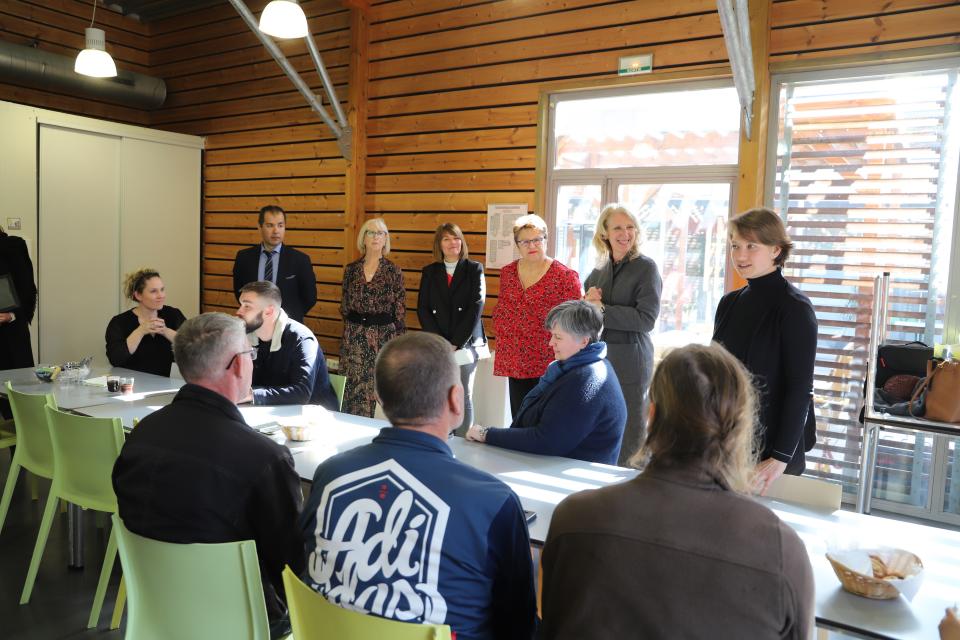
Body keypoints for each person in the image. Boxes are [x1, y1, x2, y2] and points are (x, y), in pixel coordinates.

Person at [539, 343, 815, 639]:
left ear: (652, 416)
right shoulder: (781, 550)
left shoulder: (574, 518)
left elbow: (553, 622)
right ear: (739, 427)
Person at [299, 332, 538, 640]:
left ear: (379, 399)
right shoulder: (493, 501)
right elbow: (518, 624)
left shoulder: (330, 474)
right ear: (456, 400)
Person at [112, 313, 304, 639]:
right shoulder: (263, 458)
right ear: (239, 366)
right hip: (240, 621)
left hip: (157, 608)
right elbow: (292, 569)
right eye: (250, 353)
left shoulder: (141, 436)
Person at [713, 207, 818, 490]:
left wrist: (780, 457)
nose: (740, 255)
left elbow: (800, 388)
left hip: (772, 448)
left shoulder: (795, 308)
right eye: (735, 246)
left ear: (776, 250)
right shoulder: (729, 303)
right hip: (728, 439)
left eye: (751, 246)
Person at [467, 300, 625, 465]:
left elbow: (546, 440)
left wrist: (487, 434)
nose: (551, 343)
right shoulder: (587, 367)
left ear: (584, 341)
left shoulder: (585, 380)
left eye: (558, 337)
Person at [584, 204, 662, 465]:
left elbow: (646, 319)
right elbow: (588, 312)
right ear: (604, 233)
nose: (625, 233)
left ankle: (633, 484)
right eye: (618, 227)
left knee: (631, 427)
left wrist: (603, 309)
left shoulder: (646, 268)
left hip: (632, 359)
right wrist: (588, 302)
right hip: (600, 359)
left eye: (630, 227)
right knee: (601, 421)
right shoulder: (599, 269)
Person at [492, 214, 581, 416]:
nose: (531, 245)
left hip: (549, 359)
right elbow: (503, 308)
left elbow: (575, 322)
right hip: (515, 358)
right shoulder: (507, 272)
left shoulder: (564, 276)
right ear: (517, 245)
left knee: (545, 419)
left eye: (537, 239)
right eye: (525, 241)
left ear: (546, 240)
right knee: (520, 415)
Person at [417, 223, 486, 435]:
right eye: (446, 239)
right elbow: (423, 308)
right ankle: (442, 440)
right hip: (440, 345)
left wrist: (456, 341)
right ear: (439, 244)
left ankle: (464, 443)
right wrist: (441, 342)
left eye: (455, 238)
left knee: (462, 394)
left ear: (461, 242)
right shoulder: (430, 272)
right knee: (440, 394)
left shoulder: (474, 269)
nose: (452, 243)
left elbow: (476, 306)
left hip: (466, 344)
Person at [339, 217, 405, 417]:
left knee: (378, 390)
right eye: (371, 232)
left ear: (386, 239)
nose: (376, 237)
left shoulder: (393, 271)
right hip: (354, 338)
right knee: (352, 390)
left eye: (381, 233)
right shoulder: (351, 270)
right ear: (363, 238)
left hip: (382, 339)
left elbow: (400, 310)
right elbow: (344, 306)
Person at [236, 281, 338, 409]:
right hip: (269, 414)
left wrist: (252, 395)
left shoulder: (302, 339)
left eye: (247, 306)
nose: (239, 311)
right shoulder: (246, 336)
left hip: (313, 419)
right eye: (241, 305)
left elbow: (301, 393)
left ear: (268, 311)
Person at [233, 205, 317, 323]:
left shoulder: (300, 260)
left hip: (287, 326)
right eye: (270, 225)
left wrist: (290, 316)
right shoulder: (244, 258)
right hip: (254, 324)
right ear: (260, 227)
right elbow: (240, 293)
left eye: (280, 225)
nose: (276, 231)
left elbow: (310, 298)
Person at [105, 268, 186, 377]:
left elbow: (194, 348)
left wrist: (165, 331)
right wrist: (140, 331)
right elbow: (115, 359)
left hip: (169, 384)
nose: (161, 295)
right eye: (154, 291)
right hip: (132, 385)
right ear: (138, 295)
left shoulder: (174, 315)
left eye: (162, 289)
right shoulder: (119, 322)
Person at [0, 227, 37, 370]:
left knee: (16, 385)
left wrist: (12, 315)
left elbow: (26, 288)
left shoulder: (13, 247)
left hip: (11, 334)